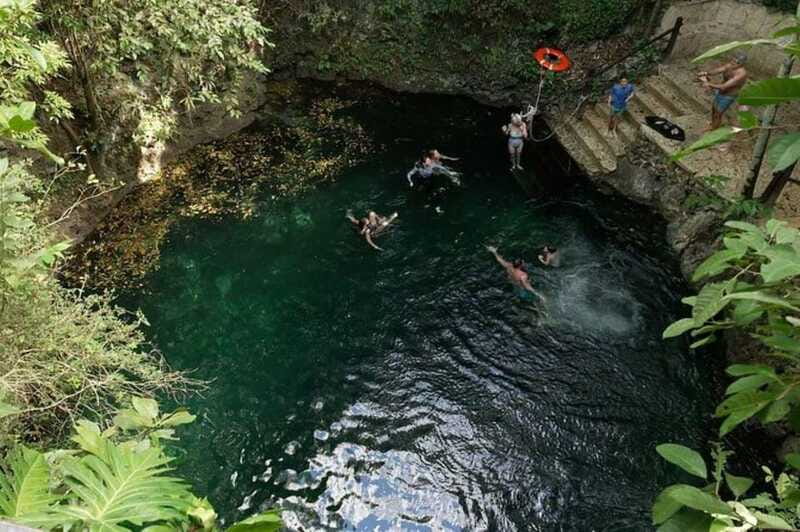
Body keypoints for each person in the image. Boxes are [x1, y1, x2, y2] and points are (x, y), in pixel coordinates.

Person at [697, 52, 748, 132]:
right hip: (721, 91)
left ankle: (714, 129)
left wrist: (709, 84)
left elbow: (724, 86)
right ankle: (714, 124)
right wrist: (706, 73)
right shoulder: (730, 65)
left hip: (729, 95)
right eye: (733, 60)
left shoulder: (741, 74)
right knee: (714, 108)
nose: (733, 63)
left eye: (737, 62)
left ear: (741, 64)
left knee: (718, 112)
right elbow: (718, 70)